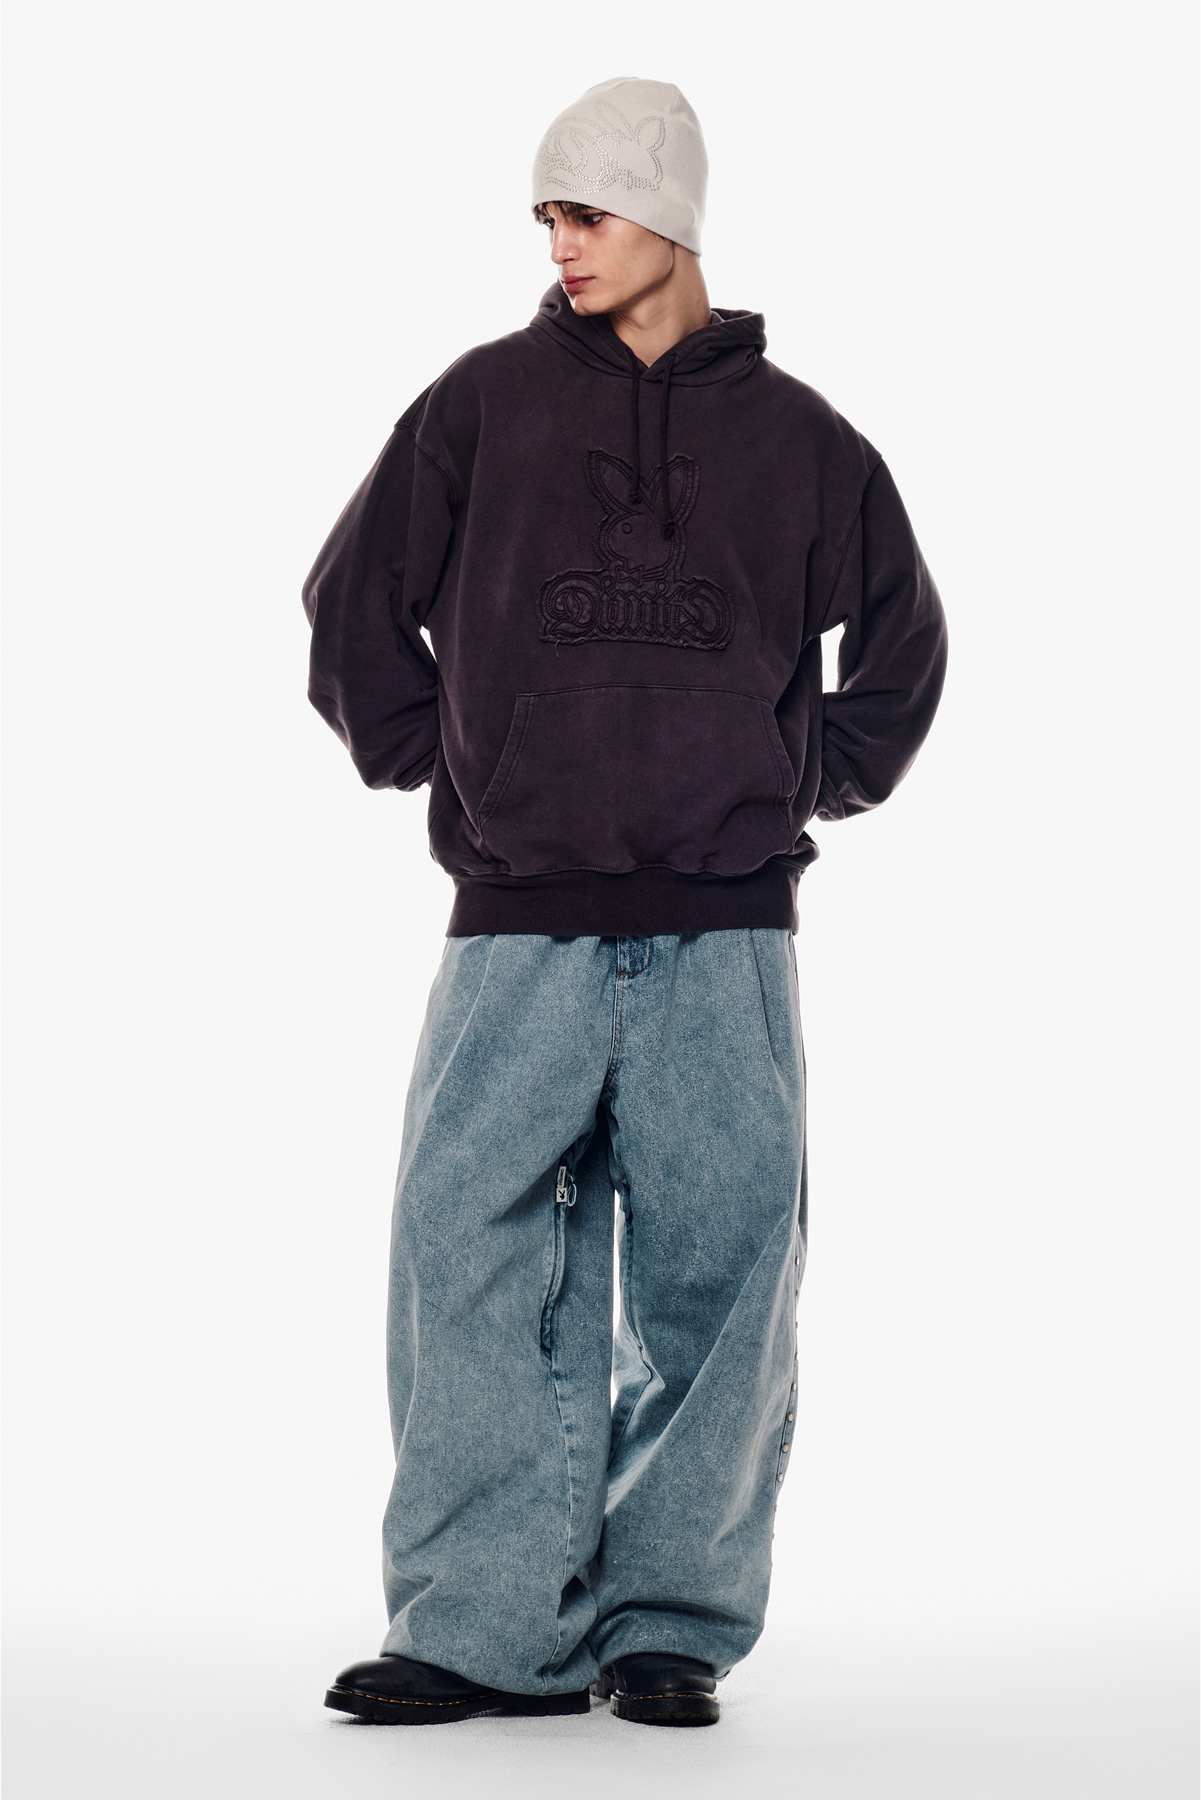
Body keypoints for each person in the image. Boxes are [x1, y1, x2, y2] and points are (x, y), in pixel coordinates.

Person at [302, 75, 947, 1730]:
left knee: (721, 1266)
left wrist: (801, 776)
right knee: (468, 1252)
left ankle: (670, 1621)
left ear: (669, 213)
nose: (561, 245)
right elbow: (351, 604)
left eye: (585, 212)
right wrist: (449, 765)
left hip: (728, 918)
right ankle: (481, 1625)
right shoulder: (481, 406)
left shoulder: (802, 441)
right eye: (548, 218)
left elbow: (904, 639)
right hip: (519, 910)